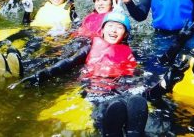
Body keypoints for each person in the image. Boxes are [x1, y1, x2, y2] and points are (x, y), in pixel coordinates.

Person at [13, 12, 148, 136]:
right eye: (110, 26)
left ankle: (134, 133)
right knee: (103, 110)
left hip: (121, 85)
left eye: (119, 27)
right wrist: (43, 74)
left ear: (125, 34)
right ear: (102, 30)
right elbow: (68, 62)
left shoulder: (131, 52)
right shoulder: (90, 46)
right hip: (95, 86)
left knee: (131, 102)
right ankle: (109, 132)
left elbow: (137, 74)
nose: (113, 30)